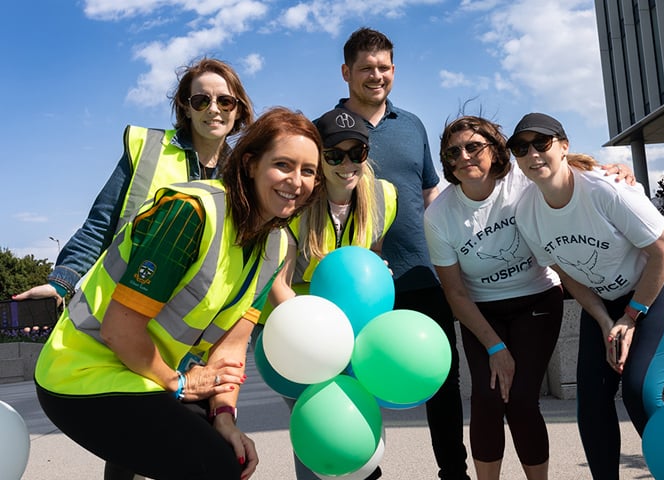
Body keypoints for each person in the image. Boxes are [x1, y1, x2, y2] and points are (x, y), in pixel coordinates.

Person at [34, 106, 323, 480]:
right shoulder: (191, 212)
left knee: (220, 450)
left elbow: (232, 349)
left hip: (142, 374)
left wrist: (224, 417)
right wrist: (179, 384)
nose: (296, 181)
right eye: (283, 165)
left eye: (309, 171)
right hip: (80, 373)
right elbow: (119, 330)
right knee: (214, 466)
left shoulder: (277, 246)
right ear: (250, 164)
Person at [424, 115, 635, 480]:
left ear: (494, 151)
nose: (464, 156)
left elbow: (563, 170)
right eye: (453, 151)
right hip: (481, 313)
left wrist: (610, 170)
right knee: (488, 401)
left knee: (521, 400)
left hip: (537, 300)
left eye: (474, 146)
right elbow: (455, 293)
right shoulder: (439, 215)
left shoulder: (519, 182)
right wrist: (494, 348)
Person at [510, 112, 664, 480]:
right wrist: (603, 320)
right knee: (593, 401)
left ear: (564, 146)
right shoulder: (527, 212)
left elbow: (663, 249)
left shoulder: (603, 188)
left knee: (639, 389)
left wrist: (630, 317)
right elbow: (565, 272)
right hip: (608, 297)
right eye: (522, 147)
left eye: (542, 143)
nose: (532, 153)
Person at [331, 27, 469, 480]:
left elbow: (432, 193)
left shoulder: (411, 125)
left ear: (394, 70)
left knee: (442, 384)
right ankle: (365, 473)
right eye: (367, 68)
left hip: (421, 273)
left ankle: (454, 472)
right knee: (356, 386)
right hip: (355, 284)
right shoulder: (325, 130)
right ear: (347, 72)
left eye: (384, 68)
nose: (377, 76)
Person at [14, 57, 254, 307]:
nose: (213, 109)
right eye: (201, 100)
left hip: (190, 320)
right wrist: (60, 283)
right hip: (124, 305)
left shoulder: (244, 175)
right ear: (186, 107)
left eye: (225, 101)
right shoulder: (146, 147)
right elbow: (100, 224)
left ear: (238, 109)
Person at [264, 107, 397, 480]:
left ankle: (365, 471)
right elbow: (278, 282)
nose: (347, 163)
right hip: (298, 325)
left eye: (358, 153)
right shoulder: (296, 203)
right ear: (319, 159)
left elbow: (371, 258)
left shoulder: (384, 196)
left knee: (353, 417)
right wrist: (317, 340)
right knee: (317, 418)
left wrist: (375, 274)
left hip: (353, 325)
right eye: (335, 154)